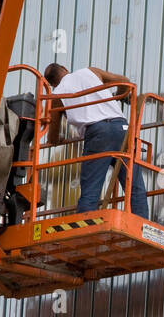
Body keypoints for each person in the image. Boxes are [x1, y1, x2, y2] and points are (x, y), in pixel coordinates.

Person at [44, 62, 148, 220]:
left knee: (90, 191)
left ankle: (86, 226)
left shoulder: (56, 96)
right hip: (122, 128)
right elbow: (125, 82)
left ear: (52, 84)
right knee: (135, 186)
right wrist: (117, 96)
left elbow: (52, 138)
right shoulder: (90, 72)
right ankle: (142, 226)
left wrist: (60, 138)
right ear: (64, 69)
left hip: (98, 135)